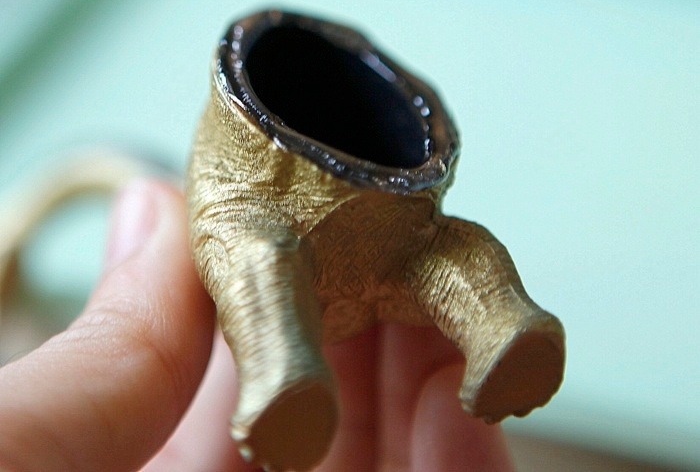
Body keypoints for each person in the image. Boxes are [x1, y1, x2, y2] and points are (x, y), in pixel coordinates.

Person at [0, 180, 514, 471]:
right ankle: (504, 326)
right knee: (447, 254)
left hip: (337, 223)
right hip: (393, 218)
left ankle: (282, 380)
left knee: (260, 258)